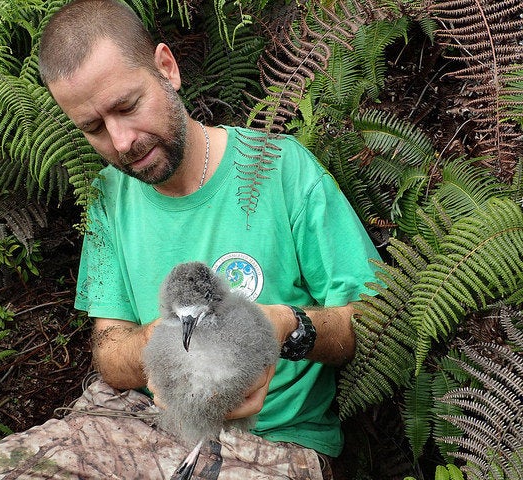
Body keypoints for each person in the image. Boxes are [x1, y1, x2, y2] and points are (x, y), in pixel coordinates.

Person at [38, 0, 381, 476]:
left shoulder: (281, 168)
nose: (120, 142)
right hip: (135, 423)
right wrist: (154, 350)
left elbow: (374, 323)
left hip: (271, 441)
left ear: (167, 68)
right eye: (93, 128)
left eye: (126, 106)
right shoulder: (107, 198)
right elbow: (109, 348)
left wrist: (281, 327)